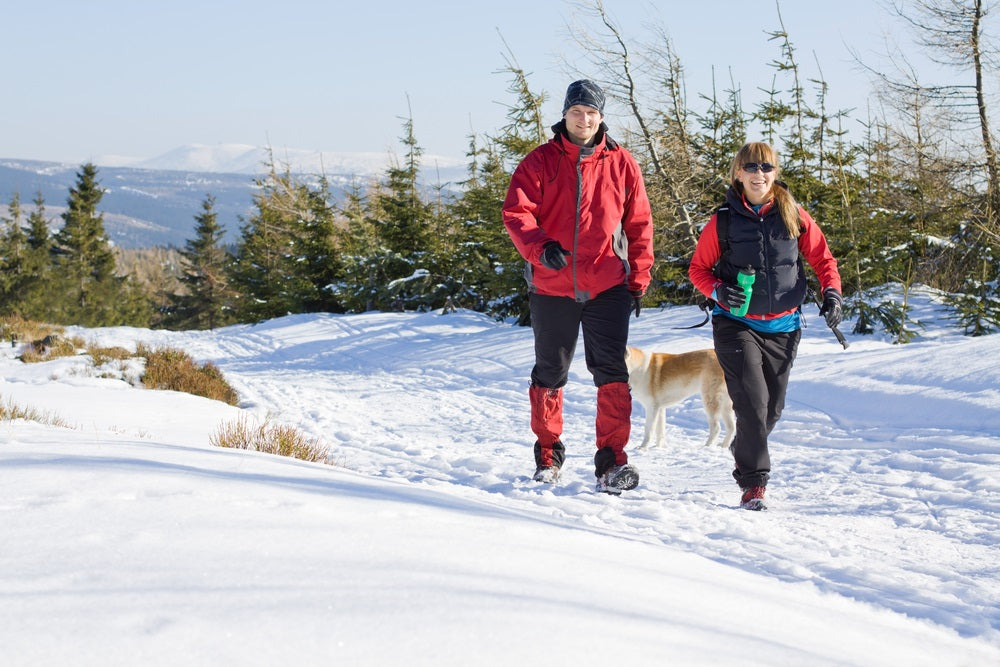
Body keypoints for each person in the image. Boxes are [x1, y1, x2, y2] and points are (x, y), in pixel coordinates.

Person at [502, 79, 654, 493]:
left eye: (591, 113)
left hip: (608, 285)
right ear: (565, 115)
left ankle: (612, 462)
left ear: (601, 117)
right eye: (576, 112)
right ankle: (548, 456)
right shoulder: (540, 161)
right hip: (552, 285)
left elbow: (639, 224)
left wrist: (639, 278)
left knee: (612, 372)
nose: (583, 120)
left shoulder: (622, 163)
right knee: (550, 372)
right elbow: (516, 213)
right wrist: (540, 248)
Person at [689, 141, 843, 510]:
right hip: (736, 324)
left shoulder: (793, 214)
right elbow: (698, 270)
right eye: (751, 167)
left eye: (767, 167)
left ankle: (745, 447)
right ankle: (753, 484)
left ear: (775, 172)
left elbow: (823, 259)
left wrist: (833, 294)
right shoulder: (723, 221)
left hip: (784, 327)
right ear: (738, 173)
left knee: (771, 409)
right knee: (752, 405)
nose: (759, 174)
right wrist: (719, 291)